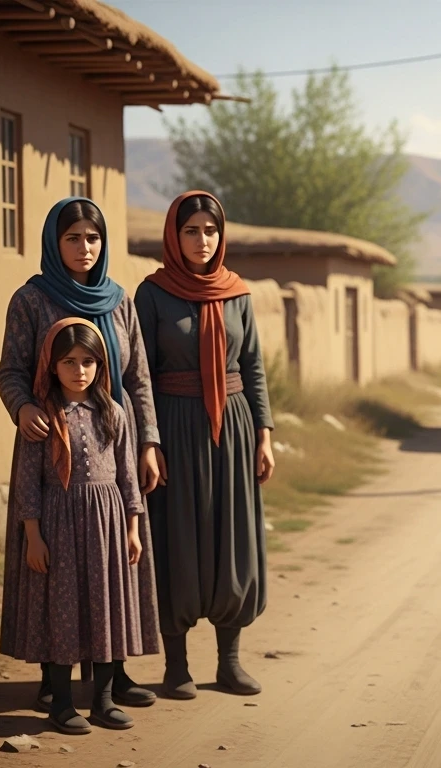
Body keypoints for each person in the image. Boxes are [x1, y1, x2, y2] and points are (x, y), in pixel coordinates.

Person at [0, 198, 161, 712]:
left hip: (113, 444)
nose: (84, 248)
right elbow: (11, 371)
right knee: (58, 574)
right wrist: (23, 408)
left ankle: (115, 674)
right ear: (54, 241)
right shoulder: (31, 299)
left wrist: (149, 441)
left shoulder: (119, 302)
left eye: (92, 238)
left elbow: (136, 378)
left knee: (110, 568)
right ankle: (56, 678)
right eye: (73, 238)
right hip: (52, 448)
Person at [135, 191, 275, 699]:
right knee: (178, 536)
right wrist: (149, 441)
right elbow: (140, 375)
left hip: (233, 429)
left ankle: (230, 663)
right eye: (191, 230)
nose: (202, 240)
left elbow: (252, 366)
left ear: (222, 235)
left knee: (230, 536)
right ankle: (176, 667)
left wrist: (264, 433)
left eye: (210, 231)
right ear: (175, 235)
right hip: (174, 425)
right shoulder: (152, 294)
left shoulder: (237, 293)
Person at [2, 318, 148, 734]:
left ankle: (102, 702)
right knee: (63, 612)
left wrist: (133, 528)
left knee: (104, 610)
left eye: (88, 361)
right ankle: (62, 704)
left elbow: (127, 476)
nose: (79, 370)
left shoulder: (114, 412)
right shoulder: (40, 418)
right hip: (58, 524)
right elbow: (27, 483)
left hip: (106, 524)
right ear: (52, 365)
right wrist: (33, 536)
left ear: (101, 365)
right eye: (69, 361)